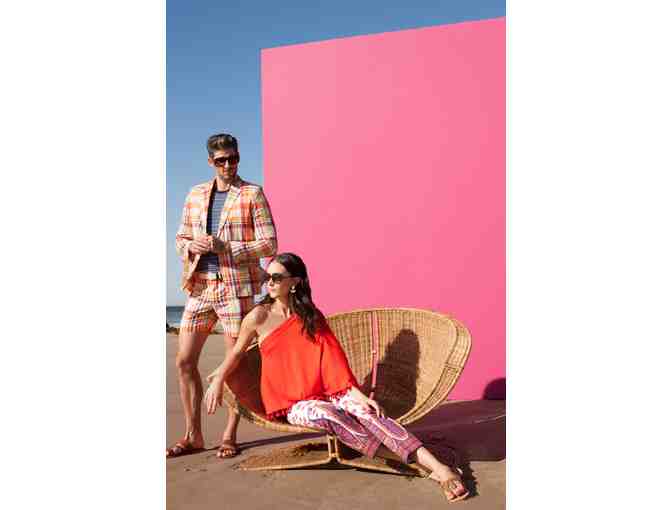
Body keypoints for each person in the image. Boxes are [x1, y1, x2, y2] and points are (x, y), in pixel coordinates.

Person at [204, 253, 469, 502]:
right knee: (330, 414)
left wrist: (360, 397)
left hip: (328, 391)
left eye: (276, 277)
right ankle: (412, 461)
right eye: (267, 277)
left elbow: (334, 364)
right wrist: (218, 380)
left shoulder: (311, 317)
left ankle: (440, 469)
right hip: (292, 404)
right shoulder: (258, 316)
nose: (269, 283)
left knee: (369, 413)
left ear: (295, 282)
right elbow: (236, 353)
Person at [167, 133, 278, 459]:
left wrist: (226, 247)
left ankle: (230, 435)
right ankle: (194, 436)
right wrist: (191, 245)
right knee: (184, 361)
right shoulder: (195, 194)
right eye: (221, 160)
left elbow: (270, 244)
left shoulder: (252, 193)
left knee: (234, 365)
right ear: (210, 162)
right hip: (200, 287)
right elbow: (180, 239)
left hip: (235, 289)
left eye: (233, 158)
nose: (229, 165)